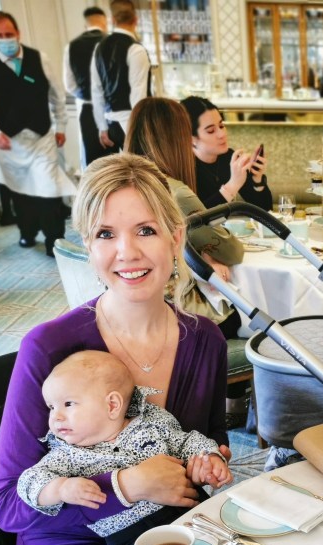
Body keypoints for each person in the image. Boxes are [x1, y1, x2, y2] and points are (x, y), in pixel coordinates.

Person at [0, 153, 230, 545]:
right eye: (105, 234)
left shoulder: (206, 340)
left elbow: (208, 443)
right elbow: (6, 505)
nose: (127, 252)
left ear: (176, 237)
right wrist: (126, 485)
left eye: (145, 230)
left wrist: (208, 460)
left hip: (164, 525)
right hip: (67, 544)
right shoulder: (50, 346)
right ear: (89, 249)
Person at [18, 350, 231, 545]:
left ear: (112, 405)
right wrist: (60, 488)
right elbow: (29, 481)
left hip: (188, 504)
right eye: (51, 407)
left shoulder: (150, 422)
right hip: (130, 534)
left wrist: (209, 458)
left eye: (68, 404)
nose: (56, 417)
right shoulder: (67, 453)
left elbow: (186, 441)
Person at [126, 97, 247, 340]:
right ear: (178, 140)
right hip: (178, 316)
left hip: (131, 311)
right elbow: (232, 251)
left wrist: (200, 252)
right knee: (246, 317)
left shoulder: (125, 182)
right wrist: (207, 252)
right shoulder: (173, 190)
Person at [0, 11, 75, 256]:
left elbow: (57, 95)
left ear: (18, 33)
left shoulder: (40, 58)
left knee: (49, 188)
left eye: (9, 34)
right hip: (8, 141)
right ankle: (27, 233)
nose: (5, 39)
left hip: (41, 137)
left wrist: (60, 126)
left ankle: (54, 242)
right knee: (21, 191)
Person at [180, 96, 272, 211]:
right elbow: (195, 219)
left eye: (221, 126)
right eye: (211, 131)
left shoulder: (228, 157)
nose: (222, 134)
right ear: (191, 138)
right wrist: (232, 185)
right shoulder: (183, 169)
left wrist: (257, 179)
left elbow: (265, 210)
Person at [91, 0, 152, 152]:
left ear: (113, 20)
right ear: (135, 20)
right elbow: (138, 96)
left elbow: (96, 90)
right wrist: (140, 132)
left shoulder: (100, 48)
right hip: (131, 124)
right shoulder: (136, 49)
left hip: (111, 124)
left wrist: (102, 128)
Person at [63, 6, 115, 168]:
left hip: (87, 109)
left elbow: (69, 84)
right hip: (110, 110)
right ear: (105, 23)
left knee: (92, 162)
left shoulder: (71, 46)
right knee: (114, 161)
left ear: (86, 25)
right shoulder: (112, 43)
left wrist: (85, 95)